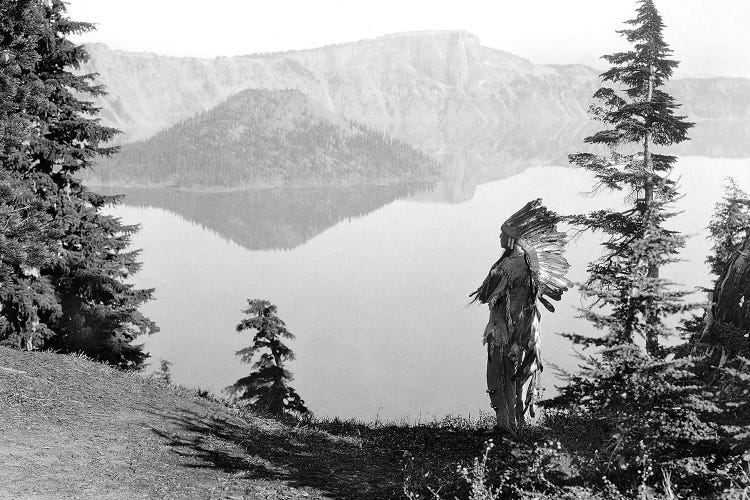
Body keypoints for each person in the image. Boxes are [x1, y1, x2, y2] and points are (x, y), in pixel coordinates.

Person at [471, 199, 571, 431]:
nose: (499, 238)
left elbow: (486, 294)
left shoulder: (505, 267)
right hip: (528, 328)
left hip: (504, 331)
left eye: (502, 234)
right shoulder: (531, 264)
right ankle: (520, 422)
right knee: (521, 373)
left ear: (512, 238)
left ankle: (506, 425)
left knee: (501, 373)